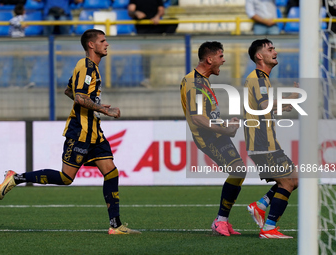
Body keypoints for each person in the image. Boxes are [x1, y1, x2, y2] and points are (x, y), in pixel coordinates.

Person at [0, 29, 141, 235]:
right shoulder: (87, 66)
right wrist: (104, 109)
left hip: (94, 131)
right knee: (66, 178)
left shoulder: (90, 68)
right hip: (80, 131)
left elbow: (69, 90)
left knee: (111, 172)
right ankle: (16, 177)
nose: (107, 44)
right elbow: (79, 97)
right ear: (91, 45)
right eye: (103, 41)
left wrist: (94, 105)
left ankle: (115, 225)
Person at [180, 41, 247, 236]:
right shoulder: (194, 83)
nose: (223, 60)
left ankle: (222, 220)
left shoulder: (201, 80)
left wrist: (224, 124)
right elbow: (197, 118)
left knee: (239, 171)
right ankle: (220, 221)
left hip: (215, 133)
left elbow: (206, 114)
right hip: (208, 138)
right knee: (238, 170)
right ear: (209, 59)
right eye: (220, 56)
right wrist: (225, 131)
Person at [244, 38, 299, 239]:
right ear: (260, 56)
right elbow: (265, 104)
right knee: (287, 183)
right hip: (261, 143)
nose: (275, 51)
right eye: (270, 49)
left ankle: (260, 205)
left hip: (267, 142)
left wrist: (283, 105)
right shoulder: (257, 78)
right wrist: (291, 98)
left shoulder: (262, 78)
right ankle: (268, 228)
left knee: (295, 178)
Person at [128, 0, 177, 87]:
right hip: (143, 29)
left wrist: (157, 17)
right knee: (146, 54)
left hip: (155, 25)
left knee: (174, 21)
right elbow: (130, 11)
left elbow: (161, 10)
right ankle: (147, 79)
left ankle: (166, 42)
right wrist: (136, 13)